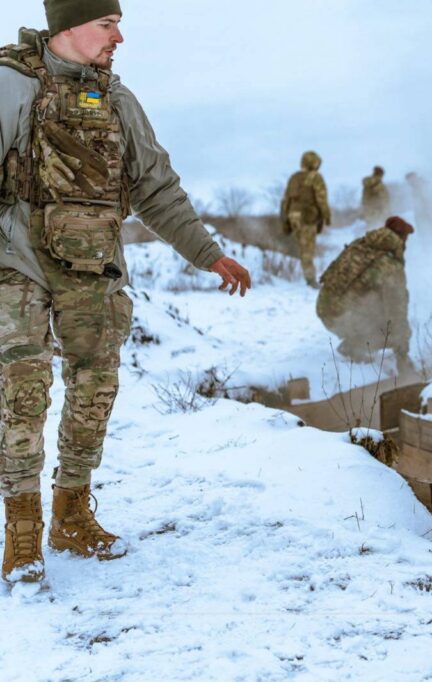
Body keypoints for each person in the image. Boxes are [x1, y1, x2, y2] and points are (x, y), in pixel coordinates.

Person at [0, 2, 251, 584]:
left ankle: (70, 515)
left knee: (94, 392)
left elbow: (156, 189)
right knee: (22, 394)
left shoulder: (118, 102)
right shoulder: (9, 86)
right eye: (107, 24)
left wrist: (208, 254)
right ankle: (20, 530)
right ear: (68, 27)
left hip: (95, 270)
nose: (120, 37)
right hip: (16, 266)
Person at [316, 216, 415, 377]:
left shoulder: (361, 245)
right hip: (342, 315)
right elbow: (397, 312)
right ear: (401, 239)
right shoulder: (390, 265)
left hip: (325, 309)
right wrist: (402, 355)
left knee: (378, 308)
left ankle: (353, 342)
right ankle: (355, 346)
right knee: (392, 327)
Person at [281, 151, 331, 287]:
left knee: (303, 248)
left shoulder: (294, 177)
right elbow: (321, 199)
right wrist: (326, 216)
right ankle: (311, 279)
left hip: (293, 216)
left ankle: (308, 276)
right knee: (308, 249)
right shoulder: (315, 177)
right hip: (307, 216)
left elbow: (286, 200)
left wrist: (285, 219)